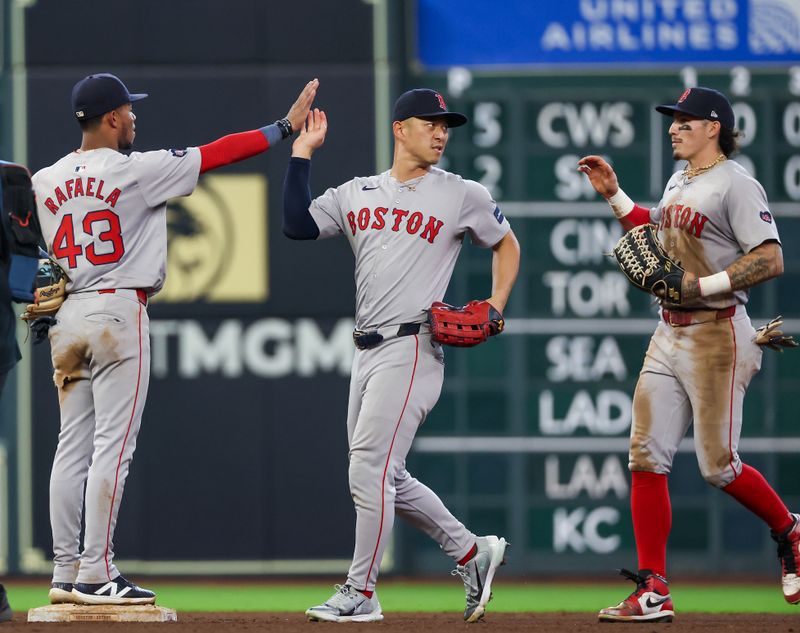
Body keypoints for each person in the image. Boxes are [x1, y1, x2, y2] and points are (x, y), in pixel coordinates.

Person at [32, 72, 318, 606]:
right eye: (129, 110)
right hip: (119, 311)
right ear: (112, 117)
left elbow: (27, 242)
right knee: (111, 448)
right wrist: (283, 127)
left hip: (67, 315)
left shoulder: (45, 180)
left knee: (70, 448)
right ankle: (96, 574)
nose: (135, 117)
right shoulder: (136, 169)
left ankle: (65, 572)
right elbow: (218, 153)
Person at [282, 88, 520, 623]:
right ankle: (471, 551)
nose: (441, 132)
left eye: (445, 126)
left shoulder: (462, 194)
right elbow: (296, 224)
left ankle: (361, 591)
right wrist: (302, 154)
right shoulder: (356, 192)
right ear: (399, 128)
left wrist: (496, 304)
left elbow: (507, 243)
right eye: (430, 122)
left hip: (414, 345)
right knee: (384, 474)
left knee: (369, 468)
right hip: (366, 350)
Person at [578, 86, 800, 623]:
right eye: (674, 120)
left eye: (685, 120)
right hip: (669, 333)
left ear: (713, 127)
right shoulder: (683, 179)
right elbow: (659, 241)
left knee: (718, 467)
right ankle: (654, 588)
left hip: (718, 333)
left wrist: (705, 286)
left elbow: (771, 258)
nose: (674, 127)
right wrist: (615, 197)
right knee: (645, 456)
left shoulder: (737, 184)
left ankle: (792, 530)